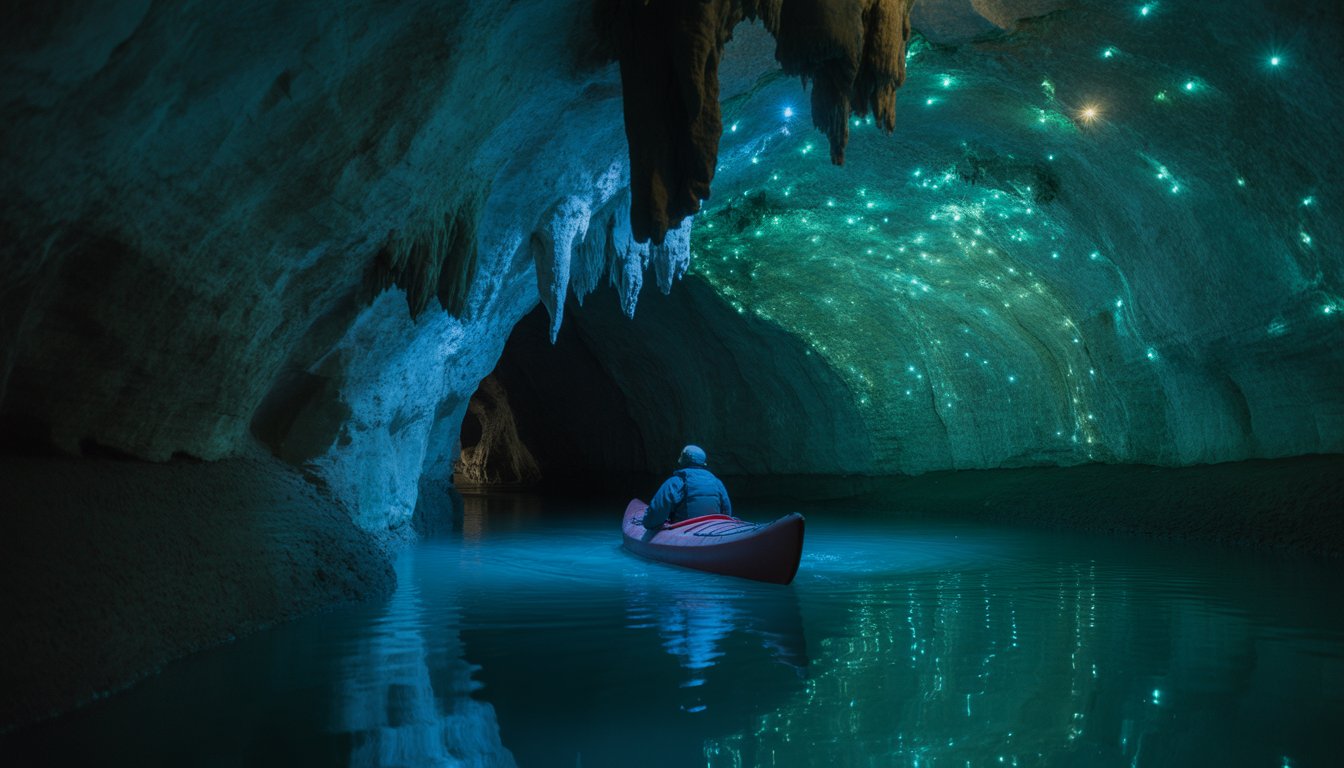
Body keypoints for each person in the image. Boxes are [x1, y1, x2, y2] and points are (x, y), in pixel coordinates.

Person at [643, 445, 733, 529]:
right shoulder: (717, 482)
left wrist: (649, 523)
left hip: (685, 529)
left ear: (684, 459)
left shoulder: (676, 481)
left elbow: (656, 513)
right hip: (713, 527)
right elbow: (727, 511)